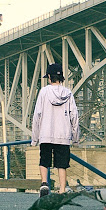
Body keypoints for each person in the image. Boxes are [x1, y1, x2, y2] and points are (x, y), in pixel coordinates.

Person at [31, 63, 79, 196]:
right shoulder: (68, 93)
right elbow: (74, 115)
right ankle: (62, 189)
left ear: (49, 78)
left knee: (44, 160)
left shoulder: (44, 92)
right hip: (63, 135)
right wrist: (75, 138)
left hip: (46, 133)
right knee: (62, 164)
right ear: (61, 78)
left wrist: (35, 139)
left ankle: (44, 183)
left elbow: (37, 115)